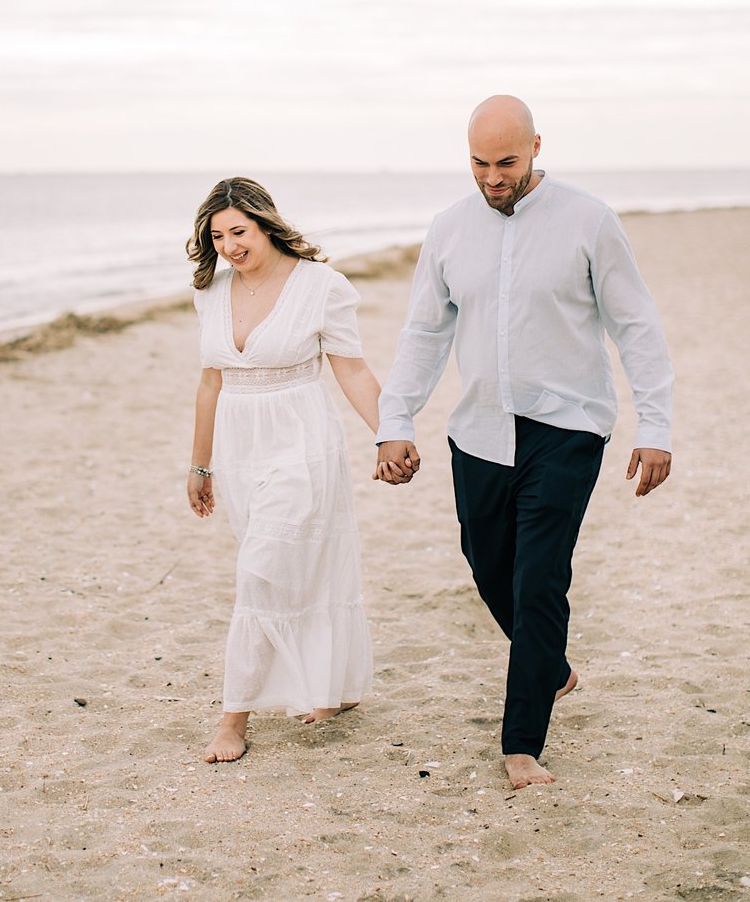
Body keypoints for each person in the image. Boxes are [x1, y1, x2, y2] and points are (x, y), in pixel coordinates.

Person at [374, 96, 673, 790]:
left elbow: (637, 326)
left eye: (506, 161)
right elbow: (424, 332)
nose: (492, 176)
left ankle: (521, 746)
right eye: (479, 162)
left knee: (540, 575)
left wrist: (654, 427)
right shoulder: (449, 229)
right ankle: (553, 667)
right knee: (486, 564)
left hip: (567, 425)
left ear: (537, 146)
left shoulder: (589, 221)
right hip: (478, 428)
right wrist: (398, 419)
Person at [186, 176, 381, 764]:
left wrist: (391, 432)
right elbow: (209, 383)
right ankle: (328, 688)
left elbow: (351, 370)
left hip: (302, 441)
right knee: (293, 569)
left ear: (265, 223)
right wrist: (200, 464)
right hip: (240, 449)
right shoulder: (210, 293)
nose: (229, 246)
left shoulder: (321, 286)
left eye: (238, 231)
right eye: (217, 236)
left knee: (261, 571)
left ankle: (232, 718)